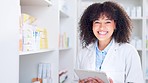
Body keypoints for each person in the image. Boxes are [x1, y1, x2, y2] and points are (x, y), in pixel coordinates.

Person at [75, 1, 144, 83]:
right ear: (91, 25)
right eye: (97, 22)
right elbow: (75, 80)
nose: (101, 28)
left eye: (107, 22)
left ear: (115, 25)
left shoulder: (129, 52)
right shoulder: (83, 53)